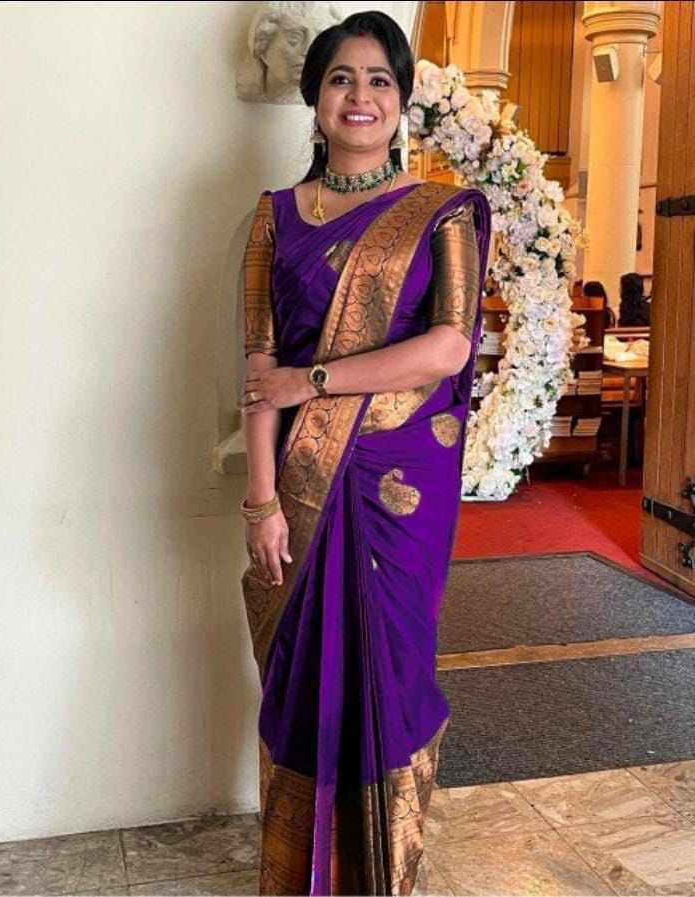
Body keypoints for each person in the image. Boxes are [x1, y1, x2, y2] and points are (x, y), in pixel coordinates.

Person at [237, 10, 491, 895]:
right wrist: (261, 501)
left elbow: (448, 347)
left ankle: (385, 876)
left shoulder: (440, 213)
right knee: (300, 684)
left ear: (401, 101)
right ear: (314, 99)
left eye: (380, 79)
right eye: (342, 77)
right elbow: (257, 371)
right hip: (300, 490)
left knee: (393, 676)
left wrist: (313, 383)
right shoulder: (274, 218)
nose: (361, 95)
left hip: (399, 493)